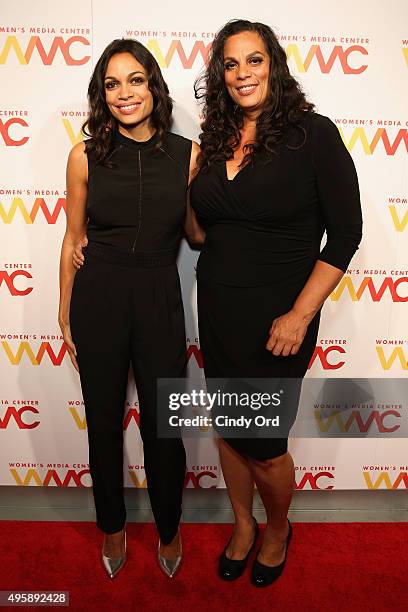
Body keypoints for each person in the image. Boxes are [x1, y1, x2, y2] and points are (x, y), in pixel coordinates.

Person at [190, 19, 362, 587]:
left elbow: (344, 235)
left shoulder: (313, 134)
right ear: (221, 74)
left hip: (278, 320)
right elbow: (198, 234)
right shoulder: (214, 138)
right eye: (231, 64)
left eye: (254, 60)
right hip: (218, 310)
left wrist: (299, 315)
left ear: (274, 65)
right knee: (229, 429)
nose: (243, 74)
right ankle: (243, 525)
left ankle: (279, 527)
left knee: (264, 443)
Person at [59, 38, 200, 579]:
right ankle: (111, 525)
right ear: (102, 93)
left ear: (153, 85)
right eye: (112, 84)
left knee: (165, 426)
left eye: (135, 80)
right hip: (99, 296)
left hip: (160, 294)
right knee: (102, 423)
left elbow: (196, 230)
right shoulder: (84, 155)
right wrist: (63, 307)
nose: (124, 93)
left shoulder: (188, 154)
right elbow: (73, 239)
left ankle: (169, 526)